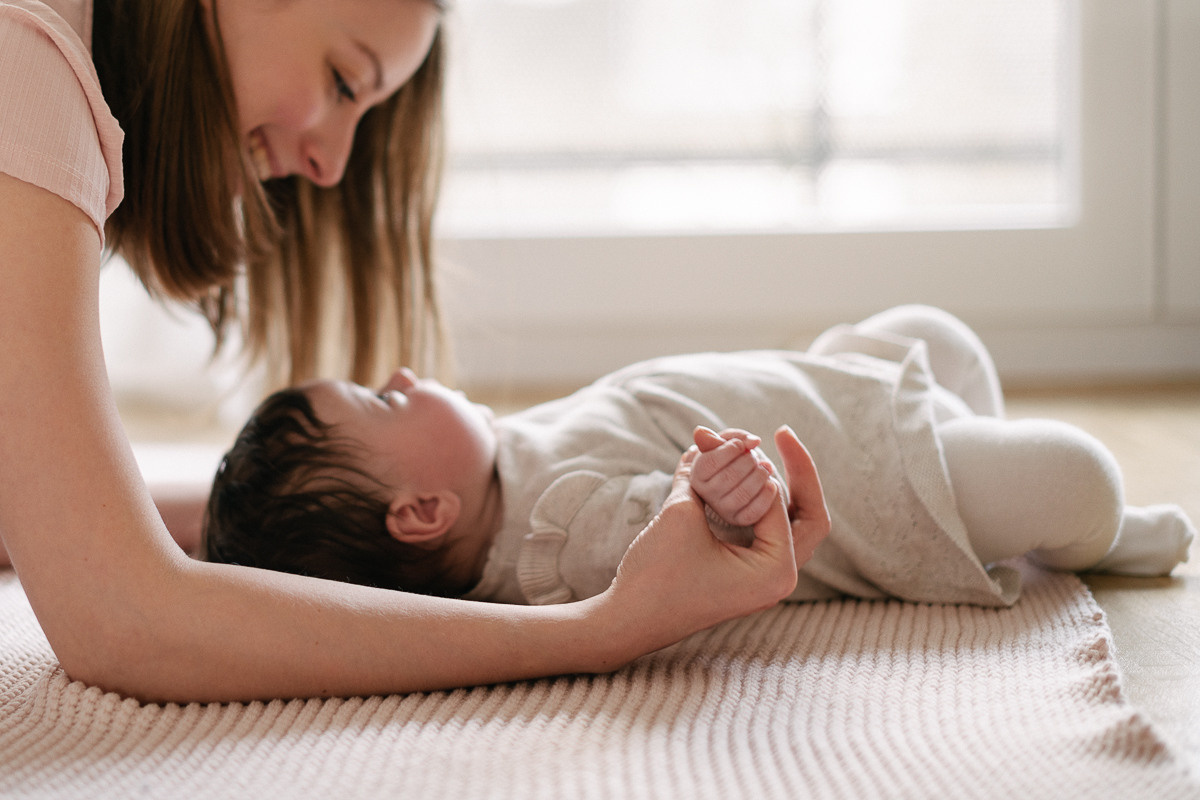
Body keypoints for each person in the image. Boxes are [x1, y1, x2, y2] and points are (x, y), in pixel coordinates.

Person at [0, 0, 829, 704]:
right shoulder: (23, 62)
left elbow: (48, 515)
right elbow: (125, 622)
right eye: (343, 81)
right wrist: (597, 629)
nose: (330, 165)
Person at [201, 306, 1195, 608]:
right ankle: (1084, 531)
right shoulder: (560, 536)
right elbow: (672, 555)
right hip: (875, 486)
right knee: (1077, 474)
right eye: (385, 399)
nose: (409, 374)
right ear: (422, 512)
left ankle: (984, 472)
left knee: (943, 340)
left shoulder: (502, 474)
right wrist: (712, 502)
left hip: (834, 400)